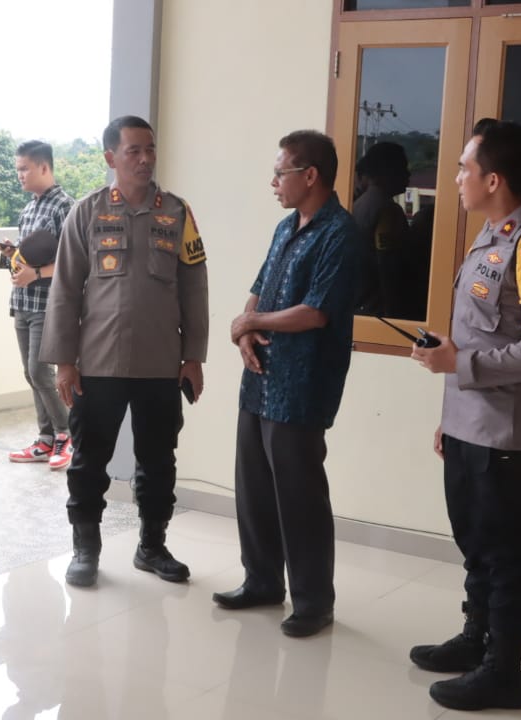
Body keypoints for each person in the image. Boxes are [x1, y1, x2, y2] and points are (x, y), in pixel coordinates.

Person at [411, 118, 521, 711]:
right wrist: (449, 401)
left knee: (505, 551)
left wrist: (462, 364)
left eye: (464, 168)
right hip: (467, 423)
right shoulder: (489, 237)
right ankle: (476, 638)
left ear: (493, 179)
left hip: (501, 432)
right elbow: (481, 336)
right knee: (475, 540)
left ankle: (504, 670)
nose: (455, 177)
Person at [40, 115, 209, 588]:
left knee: (159, 461)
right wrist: (64, 362)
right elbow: (65, 289)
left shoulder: (177, 212)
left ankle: (152, 546)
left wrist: (193, 356)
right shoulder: (86, 212)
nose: (144, 158)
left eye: (150, 149)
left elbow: (195, 286)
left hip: (161, 363)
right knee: (89, 461)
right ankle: (85, 549)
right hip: (99, 362)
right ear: (111, 157)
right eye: (134, 150)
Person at [213, 130, 358, 640]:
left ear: (310, 175)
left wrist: (252, 323)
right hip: (260, 379)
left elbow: (315, 312)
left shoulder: (340, 233)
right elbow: (259, 291)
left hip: (301, 386)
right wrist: (245, 330)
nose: (273, 182)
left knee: (300, 495)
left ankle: (314, 601)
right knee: (253, 484)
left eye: (281, 173)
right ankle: (262, 581)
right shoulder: (284, 227)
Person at [1, 140, 75, 471]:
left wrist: (38, 274)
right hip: (22, 301)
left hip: (49, 304)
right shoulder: (28, 210)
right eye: (17, 169)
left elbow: (74, 261)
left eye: (24, 169)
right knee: (31, 374)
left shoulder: (66, 207)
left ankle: (67, 434)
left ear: (44, 167)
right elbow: (30, 257)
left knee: (39, 371)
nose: (19, 175)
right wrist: (12, 254)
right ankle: (46, 439)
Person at [351, 141, 411, 319]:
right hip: (377, 311)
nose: (408, 174)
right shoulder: (387, 210)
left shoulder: (359, 205)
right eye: (402, 168)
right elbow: (388, 266)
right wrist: (394, 313)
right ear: (386, 171)